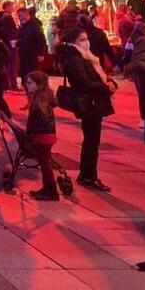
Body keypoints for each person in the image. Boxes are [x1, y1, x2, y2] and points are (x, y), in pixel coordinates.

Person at [56, 27, 117, 192]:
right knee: (91, 140)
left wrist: (109, 82)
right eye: (82, 39)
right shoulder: (75, 59)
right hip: (89, 103)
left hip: (93, 102)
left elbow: (93, 77)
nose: (86, 42)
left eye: (86, 38)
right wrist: (106, 87)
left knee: (92, 140)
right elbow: (84, 83)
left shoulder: (84, 57)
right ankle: (89, 176)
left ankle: (87, 174)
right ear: (74, 42)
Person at [24, 70, 59, 201]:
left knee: (45, 164)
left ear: (38, 84)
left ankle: (51, 190)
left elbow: (35, 120)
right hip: (48, 136)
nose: (27, 85)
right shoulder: (44, 96)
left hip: (43, 137)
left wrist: (30, 133)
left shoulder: (39, 100)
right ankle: (47, 188)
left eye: (30, 83)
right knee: (44, 163)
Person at [17, 7, 46, 79]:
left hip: (32, 57)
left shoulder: (35, 25)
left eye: (20, 16)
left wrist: (41, 53)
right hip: (24, 56)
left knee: (33, 76)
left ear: (26, 15)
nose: (19, 18)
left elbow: (41, 40)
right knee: (26, 75)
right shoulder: (24, 26)